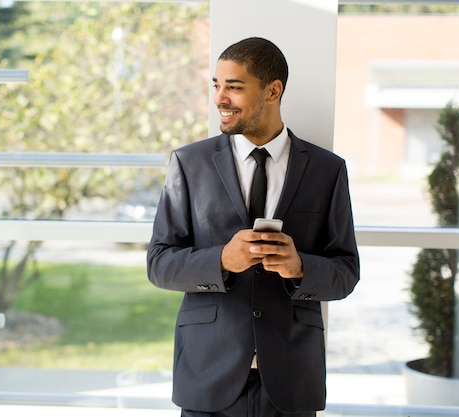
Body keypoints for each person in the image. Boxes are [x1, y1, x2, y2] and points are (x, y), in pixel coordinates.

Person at [147, 37, 360, 417]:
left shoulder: (328, 170)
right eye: (216, 85)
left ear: (273, 90)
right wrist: (222, 261)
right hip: (208, 376)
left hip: (292, 381)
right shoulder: (188, 164)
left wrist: (300, 268)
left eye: (234, 86)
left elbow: (346, 272)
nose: (220, 98)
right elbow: (160, 263)